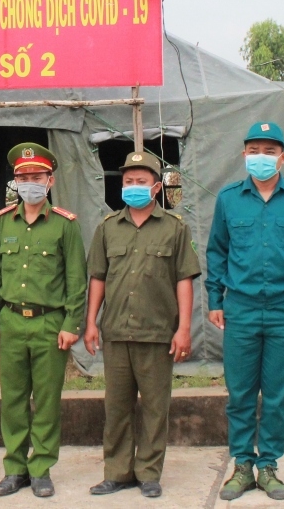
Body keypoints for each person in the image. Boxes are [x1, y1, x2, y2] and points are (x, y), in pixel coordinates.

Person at [206, 121, 284, 502]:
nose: (261, 158)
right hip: (240, 309)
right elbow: (217, 252)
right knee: (240, 393)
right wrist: (215, 300)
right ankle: (242, 466)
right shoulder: (228, 199)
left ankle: (269, 466)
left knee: (277, 394)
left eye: (269, 151)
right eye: (254, 151)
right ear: (245, 155)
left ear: (283, 157)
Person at [84, 152, 200, 499]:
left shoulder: (175, 228)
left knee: (154, 407)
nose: (133, 187)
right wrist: (91, 322)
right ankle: (117, 472)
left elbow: (184, 280)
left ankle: (149, 472)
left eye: (141, 181)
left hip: (157, 332)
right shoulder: (107, 228)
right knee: (116, 407)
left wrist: (183, 329)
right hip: (116, 331)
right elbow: (98, 279)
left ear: (156, 186)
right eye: (128, 181)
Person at [0, 143, 88, 499]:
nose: (30, 183)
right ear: (15, 182)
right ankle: (14, 468)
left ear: (50, 180)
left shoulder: (64, 225)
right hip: (12, 321)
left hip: (49, 324)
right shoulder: (2, 222)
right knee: (12, 399)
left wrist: (72, 324)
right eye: (23, 177)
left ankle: (41, 467)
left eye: (36, 177)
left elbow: (77, 279)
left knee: (46, 399)